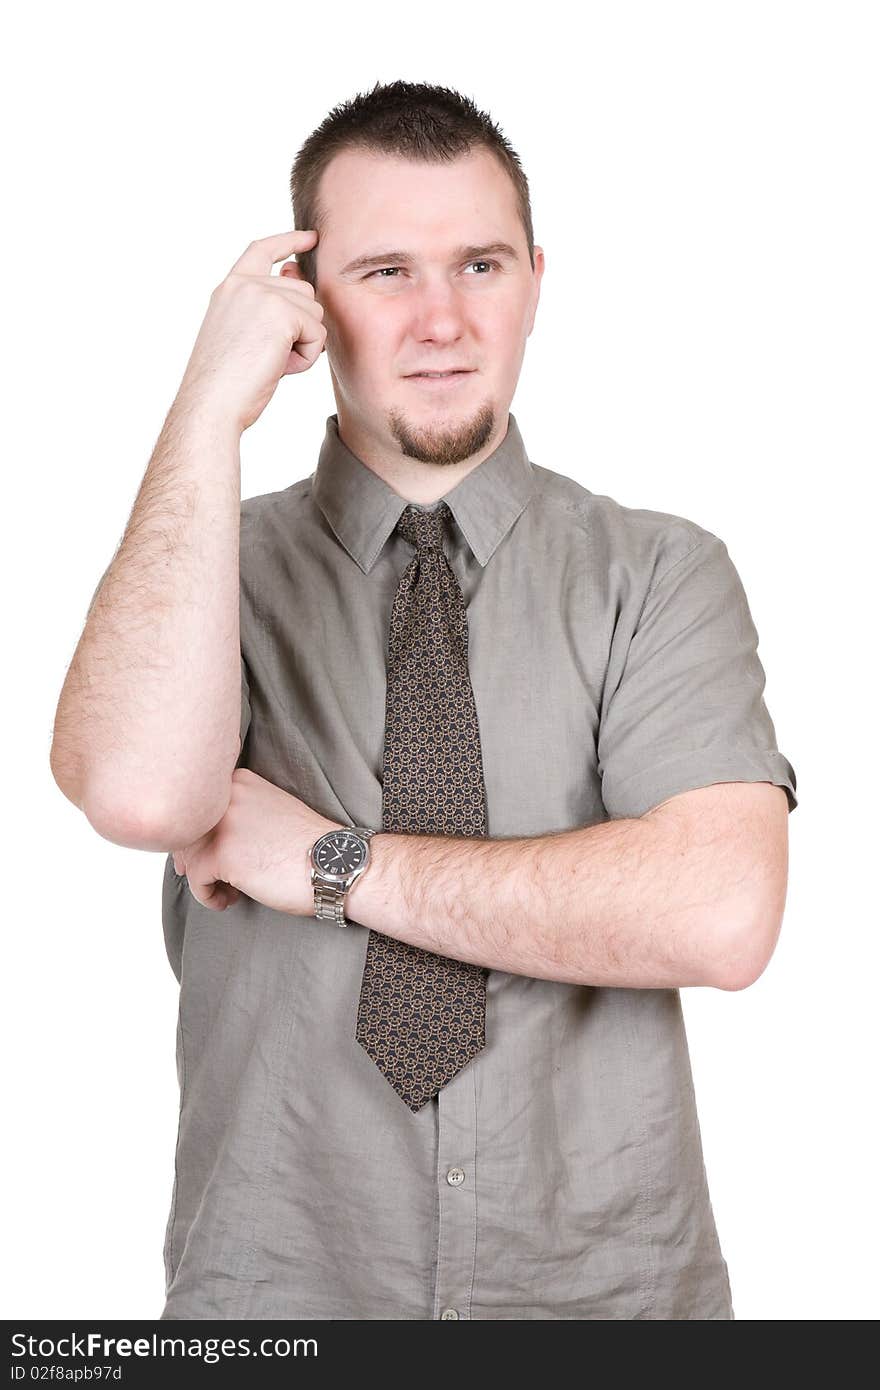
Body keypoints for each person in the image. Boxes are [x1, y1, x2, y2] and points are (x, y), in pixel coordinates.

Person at [49, 79, 798, 1321]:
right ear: (304, 299)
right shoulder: (201, 576)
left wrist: (330, 863)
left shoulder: (659, 571)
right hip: (278, 1293)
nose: (444, 319)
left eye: (481, 265)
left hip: (609, 1296)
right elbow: (135, 790)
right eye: (386, 271)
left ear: (536, 282)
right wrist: (206, 405)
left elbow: (718, 911)